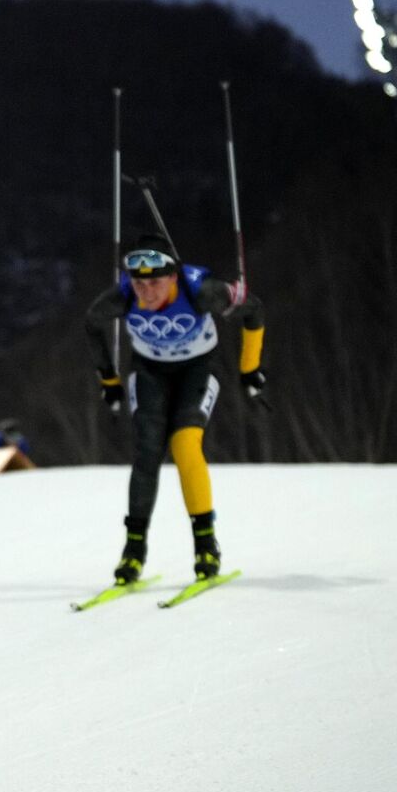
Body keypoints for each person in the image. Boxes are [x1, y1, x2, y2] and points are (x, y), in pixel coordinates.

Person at [84, 233, 266, 584]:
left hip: (198, 369)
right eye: (139, 282)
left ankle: (205, 545)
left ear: (173, 277)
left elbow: (254, 308)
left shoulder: (201, 291)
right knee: (147, 452)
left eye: (155, 282)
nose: (145, 291)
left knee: (185, 445)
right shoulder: (123, 297)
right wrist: (109, 380)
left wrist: (250, 369)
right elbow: (91, 323)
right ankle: (134, 550)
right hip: (150, 371)